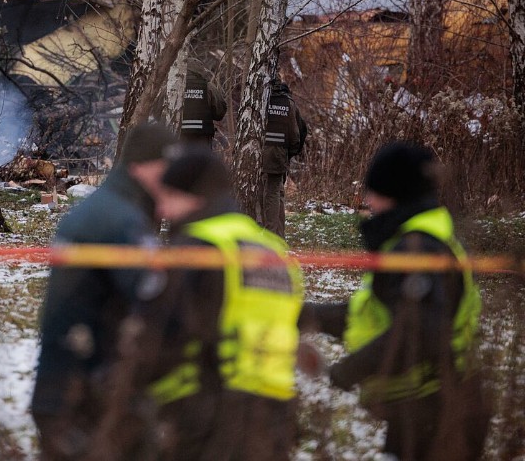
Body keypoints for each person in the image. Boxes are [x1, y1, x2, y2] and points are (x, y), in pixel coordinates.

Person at [299, 142, 489, 460]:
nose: (367, 201)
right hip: (425, 409)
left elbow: (418, 333)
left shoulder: (418, 249)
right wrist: (308, 316)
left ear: (395, 193)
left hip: (440, 413)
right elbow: (378, 315)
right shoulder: (418, 239)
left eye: (373, 191)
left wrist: (346, 371)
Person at [143, 145, 304, 461]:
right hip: (275, 415)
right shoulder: (273, 250)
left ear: (193, 197)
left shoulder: (199, 248)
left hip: (211, 413)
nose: (162, 211)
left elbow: (164, 331)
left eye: (168, 198)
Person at [31, 122, 177, 460]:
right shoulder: (120, 221)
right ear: (144, 166)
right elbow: (155, 298)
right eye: (167, 170)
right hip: (81, 392)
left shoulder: (107, 208)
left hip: (64, 384)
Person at [258, 77, 306, 238]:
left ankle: (273, 235)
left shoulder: (261, 99)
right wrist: (289, 154)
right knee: (275, 192)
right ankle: (276, 235)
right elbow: (295, 135)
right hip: (279, 154)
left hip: (260, 151)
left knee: (271, 192)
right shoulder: (289, 103)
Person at [180, 66, 227, 148]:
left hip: (178, 136)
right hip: (202, 138)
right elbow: (219, 113)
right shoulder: (208, 87)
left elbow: (158, 112)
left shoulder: (173, 86)